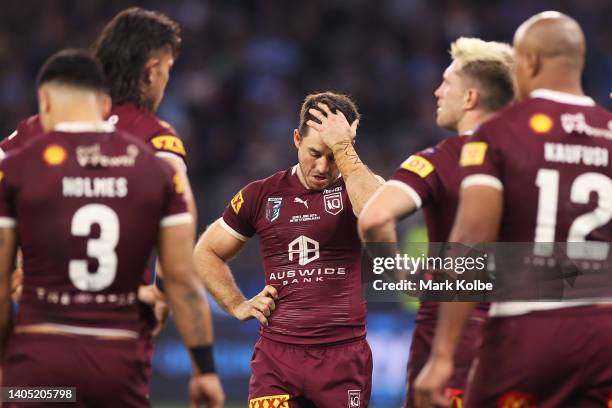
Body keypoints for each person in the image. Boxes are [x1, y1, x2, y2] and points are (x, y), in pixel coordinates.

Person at [0, 50, 223, 407]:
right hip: (118, 362)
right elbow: (182, 279)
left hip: (39, 363)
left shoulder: (18, 168)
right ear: (106, 105)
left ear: (44, 100)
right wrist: (205, 370)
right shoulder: (158, 170)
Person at [414, 11, 612, 408]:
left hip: (528, 324)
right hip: (604, 331)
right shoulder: (608, 131)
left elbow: (471, 241)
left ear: (530, 62)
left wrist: (441, 356)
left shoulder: (497, 134)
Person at [194, 92, 383, 406]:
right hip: (276, 361)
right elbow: (206, 251)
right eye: (314, 153)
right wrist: (237, 304)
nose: (323, 166)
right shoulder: (261, 195)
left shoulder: (359, 185)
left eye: (332, 155)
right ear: (296, 139)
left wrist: (343, 147)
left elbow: (376, 215)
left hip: (342, 359)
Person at [358, 37, 514, 407]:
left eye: (447, 82)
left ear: (471, 98)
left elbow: (374, 218)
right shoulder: (534, 157)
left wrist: (395, 270)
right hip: (524, 333)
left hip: (453, 331)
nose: (437, 91)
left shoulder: (440, 159)